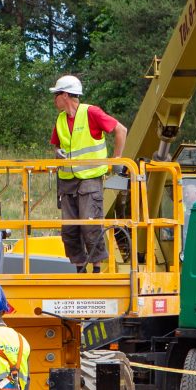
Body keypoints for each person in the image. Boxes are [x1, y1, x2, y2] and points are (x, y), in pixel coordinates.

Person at [49, 75, 127, 273]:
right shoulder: (60, 120)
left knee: (90, 226)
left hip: (90, 180)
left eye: (56, 95)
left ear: (65, 95)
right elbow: (56, 146)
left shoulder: (91, 112)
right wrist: (57, 154)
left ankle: (96, 268)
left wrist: (116, 160)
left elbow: (121, 130)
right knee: (69, 230)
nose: (54, 100)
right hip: (67, 181)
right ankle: (79, 268)